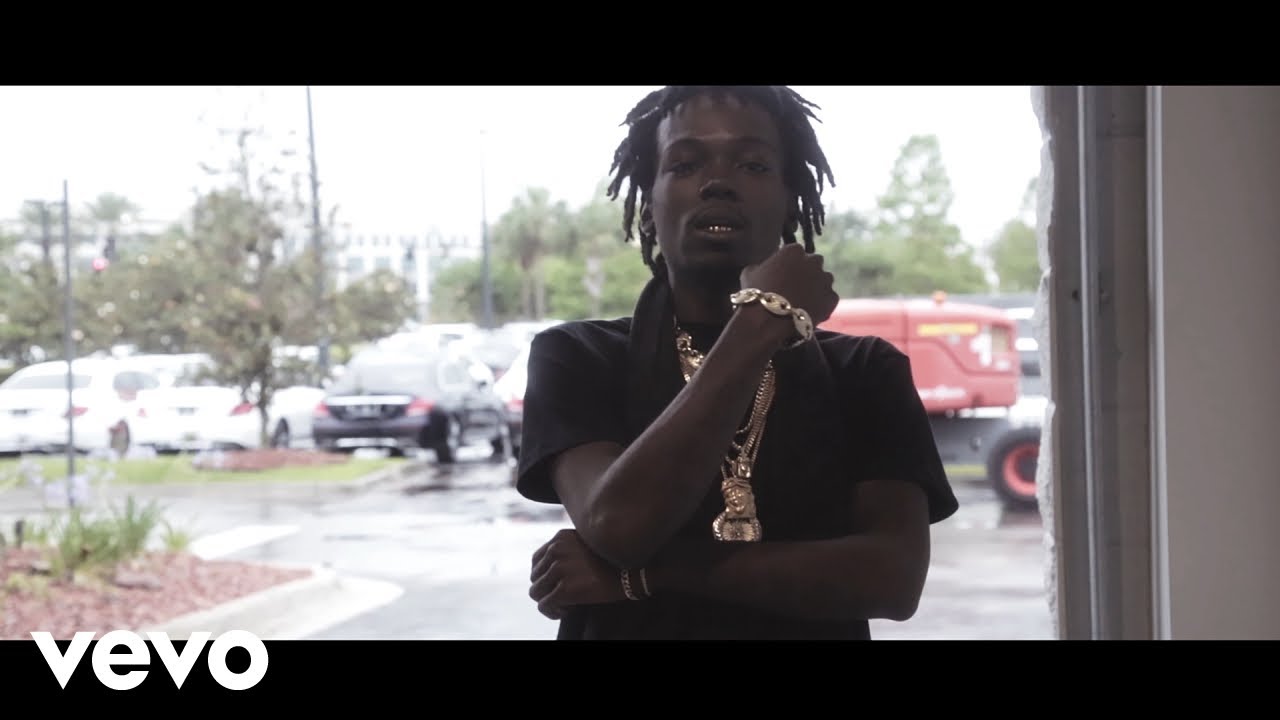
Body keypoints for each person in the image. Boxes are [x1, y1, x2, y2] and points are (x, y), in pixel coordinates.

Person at [515, 85, 959, 640]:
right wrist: (762, 319)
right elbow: (618, 525)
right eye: (684, 164)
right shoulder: (578, 355)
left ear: (790, 200)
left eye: (753, 164)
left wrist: (647, 574)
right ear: (649, 208)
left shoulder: (866, 371)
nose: (717, 182)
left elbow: (892, 579)